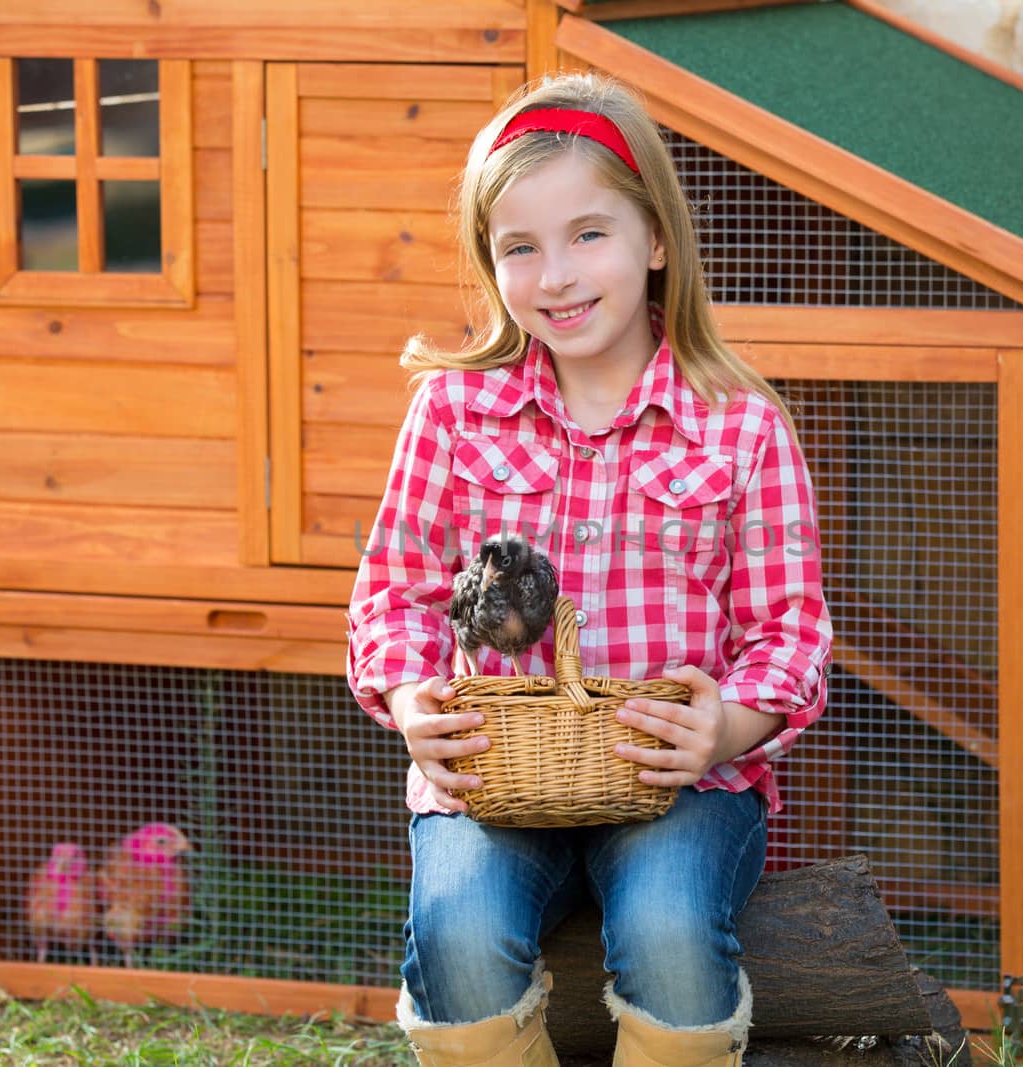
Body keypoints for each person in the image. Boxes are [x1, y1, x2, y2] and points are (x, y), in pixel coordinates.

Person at [345, 71, 832, 1067]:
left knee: (667, 928)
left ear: (655, 239)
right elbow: (394, 592)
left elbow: (790, 629)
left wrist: (724, 726)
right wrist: (410, 696)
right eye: (520, 247)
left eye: (587, 235)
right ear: (490, 264)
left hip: (677, 781)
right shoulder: (450, 413)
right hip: (493, 770)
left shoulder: (740, 426)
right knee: (459, 933)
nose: (556, 274)